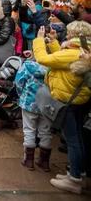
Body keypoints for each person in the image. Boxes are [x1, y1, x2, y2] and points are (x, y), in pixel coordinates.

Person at [33, 21, 91, 194]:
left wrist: (39, 40)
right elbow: (62, 58)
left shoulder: (73, 52)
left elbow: (43, 59)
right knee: (78, 138)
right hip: (78, 100)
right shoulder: (82, 50)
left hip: (68, 102)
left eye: (69, 32)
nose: (66, 34)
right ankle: (78, 174)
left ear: (74, 34)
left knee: (73, 141)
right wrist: (53, 42)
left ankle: (74, 179)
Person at [15, 56, 52, 172]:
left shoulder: (29, 65)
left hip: (29, 102)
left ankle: (29, 160)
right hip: (48, 104)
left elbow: (19, 82)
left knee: (29, 130)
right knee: (46, 131)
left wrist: (21, 95)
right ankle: (44, 162)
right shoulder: (54, 67)